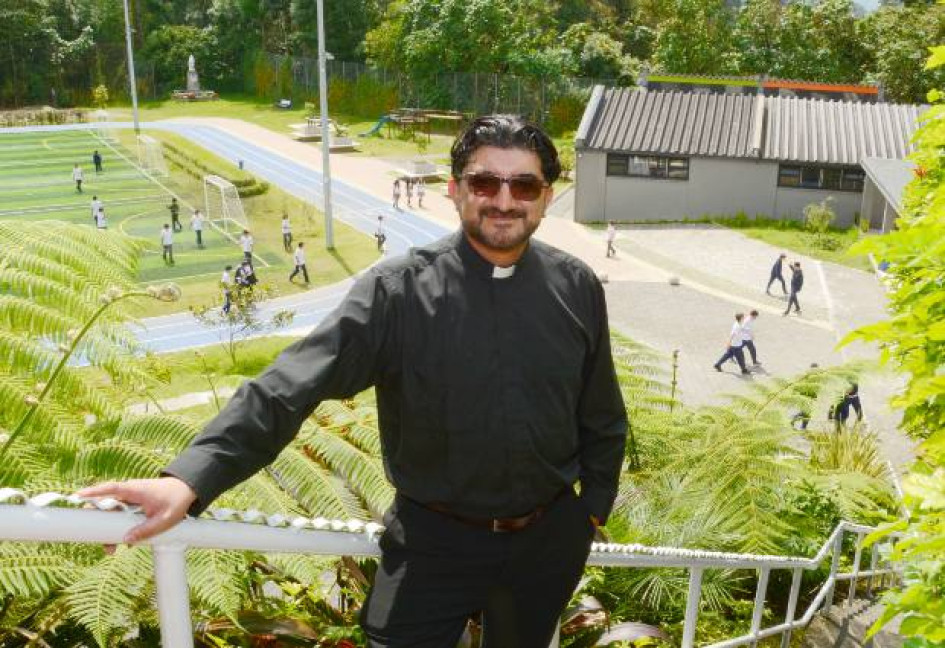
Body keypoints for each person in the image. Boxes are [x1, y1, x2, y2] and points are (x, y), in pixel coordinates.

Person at [78, 114, 628, 648]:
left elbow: (601, 411)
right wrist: (189, 479)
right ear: (456, 190)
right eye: (485, 182)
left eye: (524, 185)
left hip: (545, 543)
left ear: (547, 197)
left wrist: (591, 510)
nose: (504, 200)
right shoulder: (398, 292)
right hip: (432, 546)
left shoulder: (576, 286)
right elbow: (291, 384)